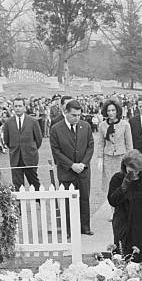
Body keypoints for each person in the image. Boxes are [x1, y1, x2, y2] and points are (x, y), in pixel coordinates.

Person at [49, 99, 94, 236]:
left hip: (83, 170)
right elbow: (56, 152)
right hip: (66, 171)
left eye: (79, 115)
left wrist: (83, 164)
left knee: (84, 199)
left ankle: (85, 227)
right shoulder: (56, 129)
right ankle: (68, 230)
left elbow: (90, 146)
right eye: (74, 115)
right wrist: (71, 165)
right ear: (65, 112)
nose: (77, 118)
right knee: (67, 202)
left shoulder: (85, 126)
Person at [107, 149, 142, 263]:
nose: (134, 173)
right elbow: (113, 200)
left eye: (137, 170)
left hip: (141, 224)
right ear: (125, 165)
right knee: (121, 257)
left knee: (137, 258)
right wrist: (125, 185)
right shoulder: (117, 178)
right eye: (130, 169)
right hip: (122, 222)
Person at [3, 96, 43, 191]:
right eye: (16, 106)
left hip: (30, 157)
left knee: (34, 182)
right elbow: (7, 140)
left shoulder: (33, 121)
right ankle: (19, 205)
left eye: (20, 106)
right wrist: (15, 148)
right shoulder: (8, 123)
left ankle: (39, 202)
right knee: (17, 185)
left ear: (24, 107)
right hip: (15, 158)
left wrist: (30, 149)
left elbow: (38, 140)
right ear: (13, 107)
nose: (17, 108)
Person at [97, 99, 133, 194]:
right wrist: (100, 158)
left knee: (122, 184)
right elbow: (100, 143)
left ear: (117, 111)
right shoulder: (102, 126)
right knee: (110, 185)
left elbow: (129, 144)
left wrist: (129, 160)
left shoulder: (125, 124)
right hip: (108, 159)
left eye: (113, 110)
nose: (111, 113)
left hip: (122, 158)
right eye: (108, 111)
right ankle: (112, 206)